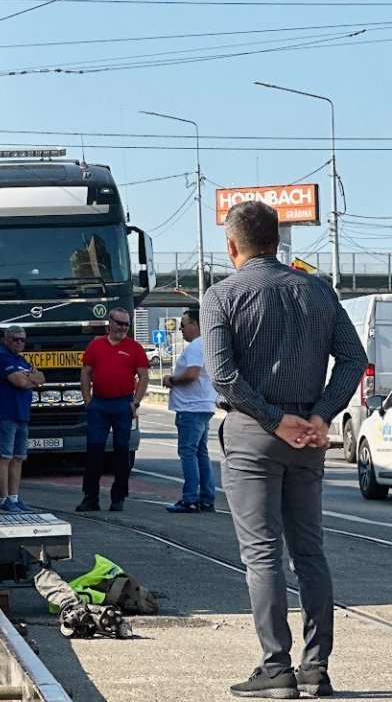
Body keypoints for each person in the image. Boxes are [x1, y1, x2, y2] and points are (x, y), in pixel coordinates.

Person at [201, 200, 365, 699]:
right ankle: (316, 667)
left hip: (255, 434)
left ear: (232, 246)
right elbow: (353, 359)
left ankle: (276, 669)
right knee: (310, 552)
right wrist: (319, 415)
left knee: (262, 555)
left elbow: (222, 373)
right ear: (277, 241)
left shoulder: (221, 295)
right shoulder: (317, 290)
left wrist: (275, 419)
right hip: (308, 440)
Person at [76, 308, 148, 512]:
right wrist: (87, 400)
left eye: (127, 324)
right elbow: (86, 372)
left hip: (122, 404)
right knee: (94, 451)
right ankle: (91, 497)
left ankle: (118, 497)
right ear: (110, 323)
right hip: (99, 404)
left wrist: (135, 402)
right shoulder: (96, 345)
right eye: (120, 323)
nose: (123, 328)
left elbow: (143, 376)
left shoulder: (134, 348)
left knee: (121, 450)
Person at [162, 308, 218, 514]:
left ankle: (190, 499)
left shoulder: (196, 346)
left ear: (195, 325)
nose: (180, 329)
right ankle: (206, 498)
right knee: (201, 454)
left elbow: (193, 374)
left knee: (188, 453)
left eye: (183, 324)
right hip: (203, 405)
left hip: (191, 407)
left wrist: (171, 380)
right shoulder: (209, 344)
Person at [0, 325, 46, 513]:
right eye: (16, 339)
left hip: (22, 414)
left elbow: (42, 378)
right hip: (7, 413)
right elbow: (20, 381)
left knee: (18, 458)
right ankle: (3, 499)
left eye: (22, 339)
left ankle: (14, 498)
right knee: (4, 456)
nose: (19, 343)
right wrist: (29, 377)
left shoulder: (21, 360)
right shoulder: (2, 356)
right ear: (7, 339)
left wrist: (30, 377)